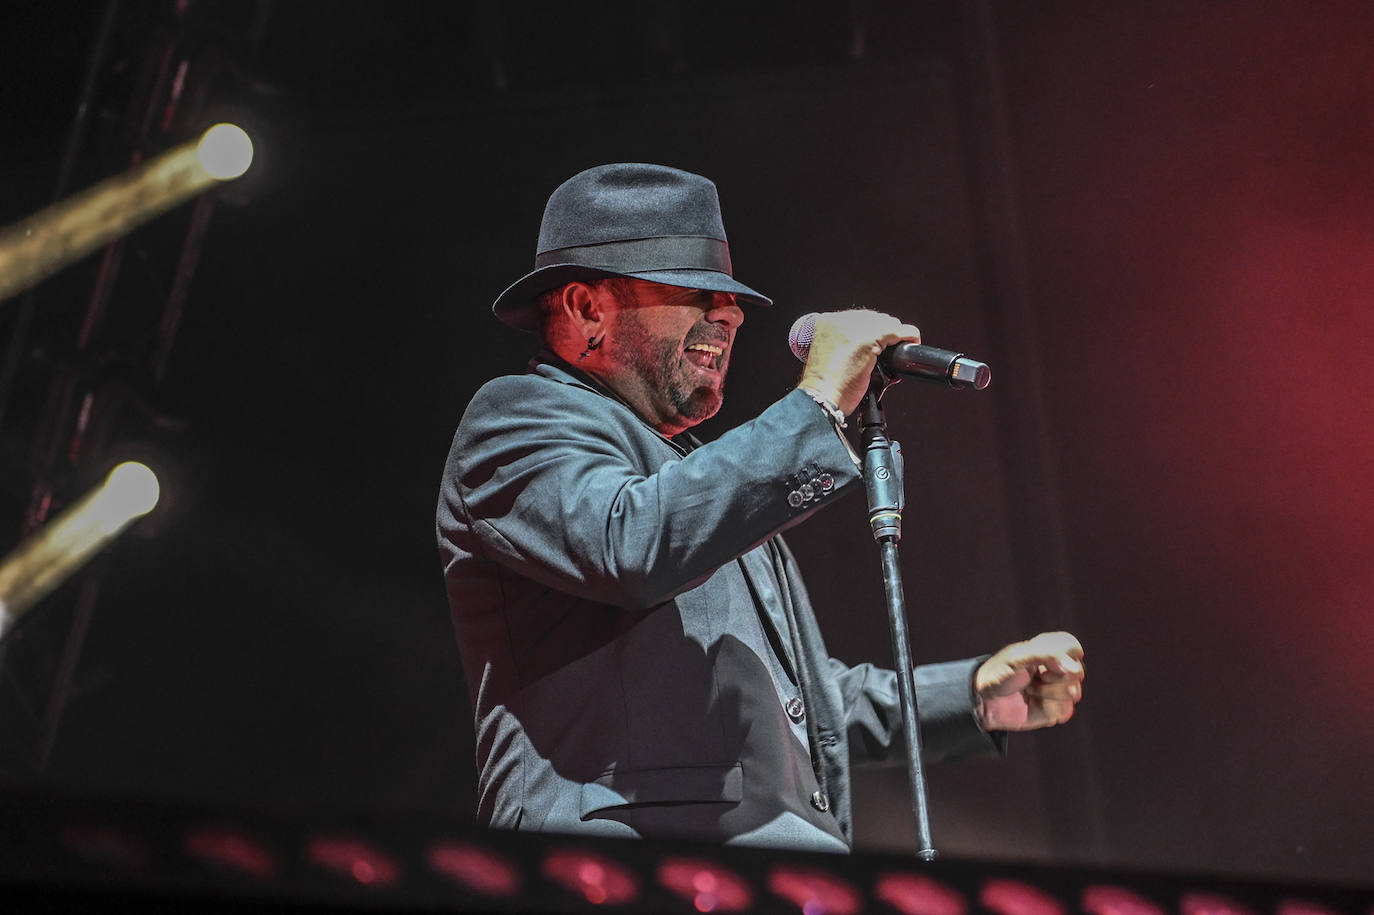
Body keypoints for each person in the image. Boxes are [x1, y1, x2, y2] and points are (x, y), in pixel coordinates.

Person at [436, 163, 1084, 852]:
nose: (731, 314)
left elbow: (808, 709)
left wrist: (975, 695)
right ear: (586, 308)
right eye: (694, 291)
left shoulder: (701, 475)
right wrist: (817, 403)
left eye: (731, 298)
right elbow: (628, 543)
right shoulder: (516, 420)